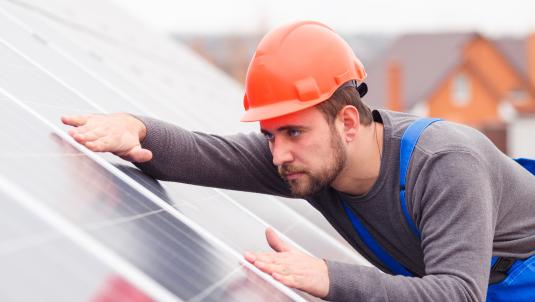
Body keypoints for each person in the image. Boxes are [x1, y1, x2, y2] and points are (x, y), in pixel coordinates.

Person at [62, 21, 535, 301]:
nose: (278, 153)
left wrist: (331, 277)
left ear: (348, 122)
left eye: (293, 131)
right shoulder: (308, 158)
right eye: (269, 135)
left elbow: (457, 294)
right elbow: (202, 155)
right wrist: (135, 129)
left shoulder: (444, 165)